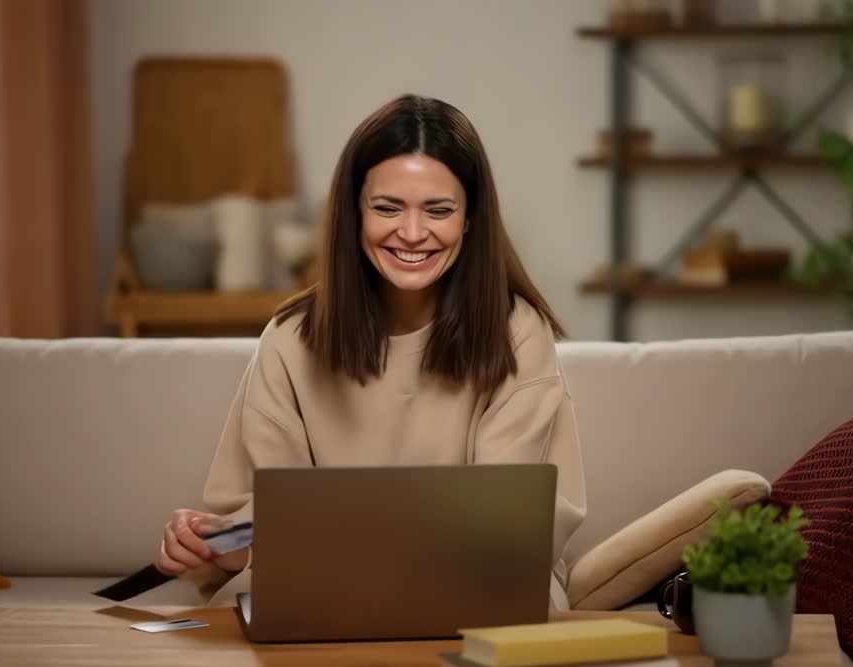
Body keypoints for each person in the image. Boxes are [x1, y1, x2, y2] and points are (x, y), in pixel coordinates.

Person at [154, 94, 587, 609]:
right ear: (354, 213)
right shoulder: (290, 340)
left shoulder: (517, 331)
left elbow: (505, 523)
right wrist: (221, 545)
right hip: (323, 578)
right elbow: (265, 521)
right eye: (387, 208)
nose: (411, 233)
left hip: (477, 576)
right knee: (250, 609)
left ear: (470, 219)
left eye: (439, 210)